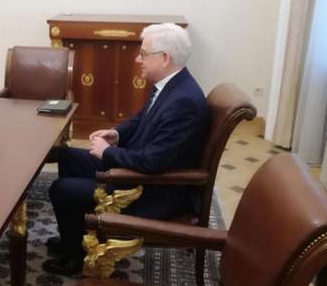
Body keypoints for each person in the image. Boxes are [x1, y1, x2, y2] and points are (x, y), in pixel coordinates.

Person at [42, 23, 209, 276]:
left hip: (154, 190)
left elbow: (153, 162)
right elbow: (142, 118)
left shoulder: (184, 101)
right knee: (68, 157)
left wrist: (108, 153)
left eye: (143, 54)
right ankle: (73, 239)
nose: (137, 59)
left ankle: (76, 258)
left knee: (62, 189)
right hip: (143, 170)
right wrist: (116, 134)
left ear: (165, 58)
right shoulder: (172, 84)